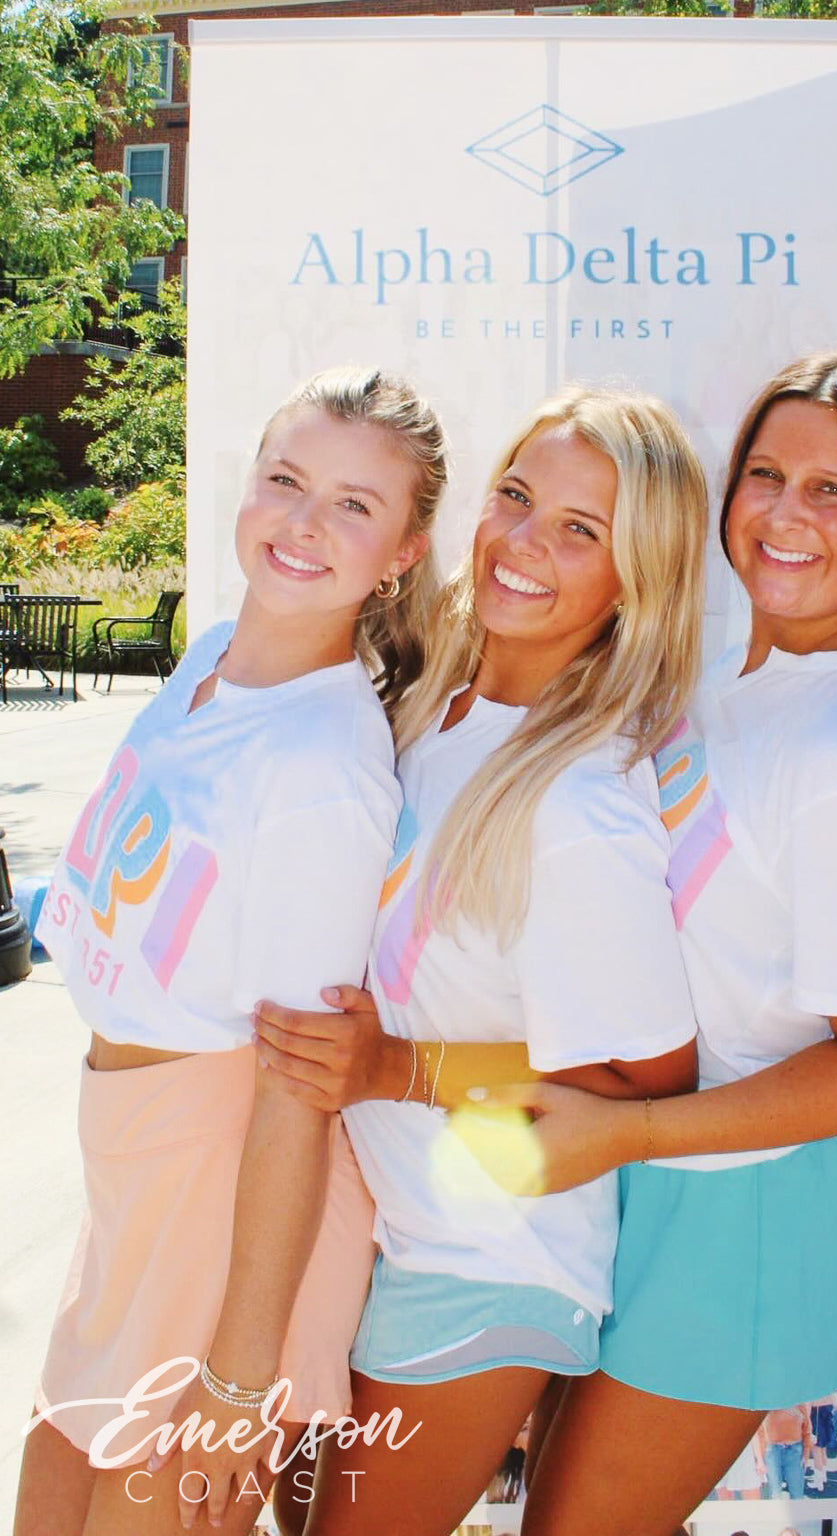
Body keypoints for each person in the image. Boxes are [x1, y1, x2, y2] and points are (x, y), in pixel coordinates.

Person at [460, 354, 837, 1535]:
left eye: (832, 491)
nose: (784, 513)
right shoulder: (737, 687)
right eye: (765, 475)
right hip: (642, 1176)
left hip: (742, 1217)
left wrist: (627, 1133)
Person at [259, 385, 708, 1536]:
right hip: (366, 1217)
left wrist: (397, 1069)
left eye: (580, 529)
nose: (523, 541)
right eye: (516, 496)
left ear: (637, 578)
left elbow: (648, 1081)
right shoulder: (430, 708)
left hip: (486, 1257)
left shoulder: (582, 803)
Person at [13, 366, 448, 1536]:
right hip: (137, 1175)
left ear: (401, 554)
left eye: (355, 505)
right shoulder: (211, 657)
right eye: (286, 480)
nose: (304, 523)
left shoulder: (322, 764)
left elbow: (296, 1085)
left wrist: (240, 1380)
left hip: (227, 1194)